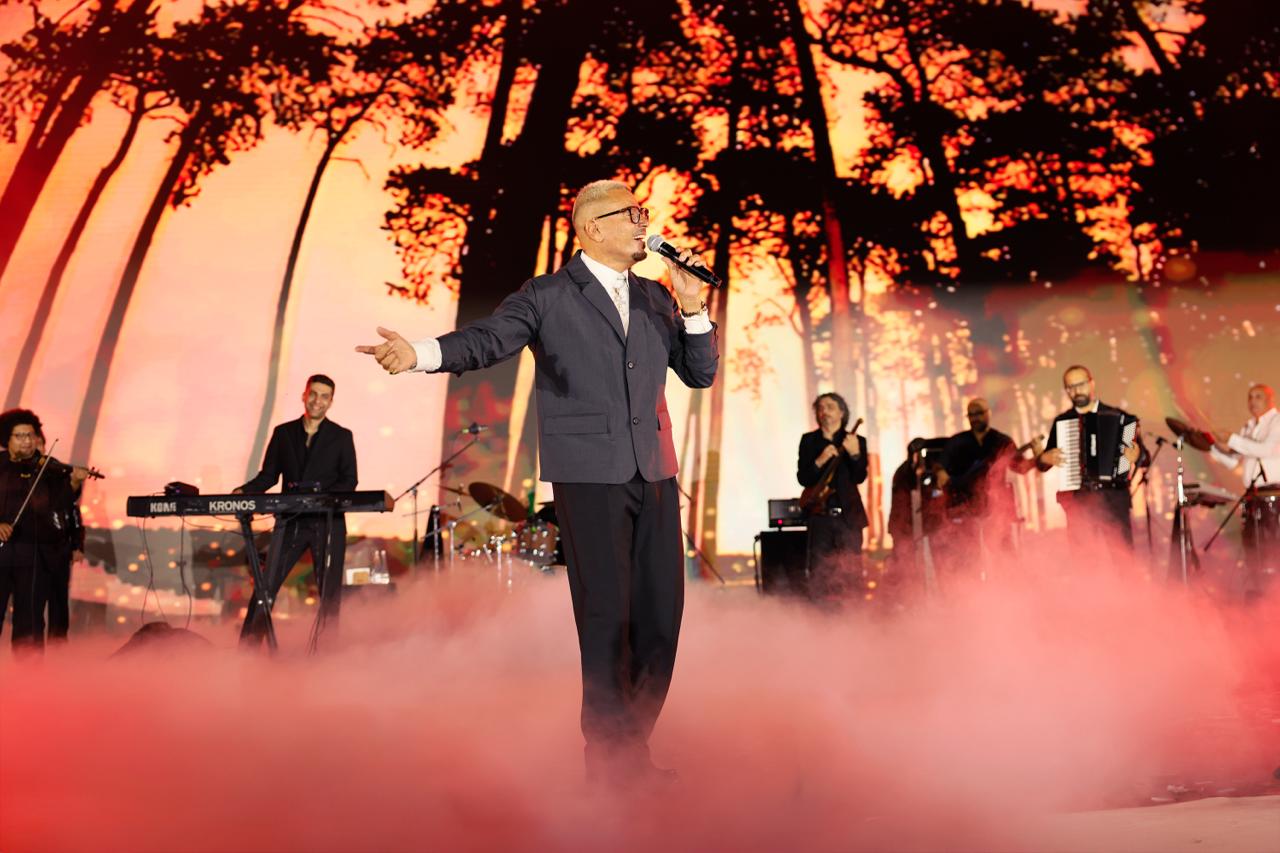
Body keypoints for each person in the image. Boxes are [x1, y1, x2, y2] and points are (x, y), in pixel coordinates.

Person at [357, 179, 718, 786]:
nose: (643, 222)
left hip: (656, 470)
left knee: (662, 618)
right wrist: (421, 353)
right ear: (592, 227)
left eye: (643, 212)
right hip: (589, 475)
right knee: (607, 619)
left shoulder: (658, 297)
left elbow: (700, 374)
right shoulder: (548, 295)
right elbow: (488, 340)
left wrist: (694, 307)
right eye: (631, 213)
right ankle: (611, 765)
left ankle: (628, 750)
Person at [236, 375, 357, 645]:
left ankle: (326, 652)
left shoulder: (342, 436)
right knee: (266, 585)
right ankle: (248, 650)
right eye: (313, 394)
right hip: (291, 521)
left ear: (331, 402)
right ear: (304, 395)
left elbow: (350, 481)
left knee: (329, 595)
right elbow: (268, 476)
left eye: (324, 396)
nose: (317, 401)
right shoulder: (283, 433)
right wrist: (243, 492)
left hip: (328, 523)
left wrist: (319, 497)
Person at [1037, 365, 1147, 551]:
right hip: (1078, 502)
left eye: (1080, 384)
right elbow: (1044, 464)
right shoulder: (1063, 422)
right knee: (1084, 560)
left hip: (1114, 498)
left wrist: (1137, 456)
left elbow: (1145, 458)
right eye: (1070, 387)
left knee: (1122, 558)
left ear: (1091, 383)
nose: (1076, 391)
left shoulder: (1121, 418)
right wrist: (1043, 459)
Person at [0, 409, 82, 652]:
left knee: (30, 620)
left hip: (33, 554)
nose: (27, 441)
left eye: (30, 435)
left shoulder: (48, 470)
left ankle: (29, 671)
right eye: (20, 436)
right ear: (6, 439)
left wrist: (74, 483)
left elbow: (60, 505)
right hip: (2, 553)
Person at [940, 398, 1040, 568]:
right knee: (967, 558)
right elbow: (940, 465)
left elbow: (1020, 467)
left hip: (996, 508)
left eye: (979, 413)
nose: (975, 418)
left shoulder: (1002, 442)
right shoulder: (957, 442)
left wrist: (1038, 458)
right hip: (964, 508)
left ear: (988, 413)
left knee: (1005, 556)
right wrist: (940, 473)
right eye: (971, 415)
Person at [1208, 383, 1280, 597]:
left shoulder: (1277, 422)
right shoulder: (1248, 427)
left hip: (1274, 496)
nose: (1252, 401)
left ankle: (1274, 596)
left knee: (1272, 547)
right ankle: (1259, 594)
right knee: (1253, 548)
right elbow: (1233, 461)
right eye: (1250, 397)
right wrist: (1209, 445)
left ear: (1270, 399)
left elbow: (1265, 450)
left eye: (1258, 397)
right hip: (1253, 496)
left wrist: (1231, 438)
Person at [796, 392, 868, 600]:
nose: (824, 411)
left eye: (830, 407)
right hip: (820, 517)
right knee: (820, 573)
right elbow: (803, 478)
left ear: (841, 412)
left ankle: (853, 614)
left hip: (849, 517)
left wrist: (855, 454)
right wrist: (820, 460)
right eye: (820, 408)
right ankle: (822, 617)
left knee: (851, 572)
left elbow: (859, 476)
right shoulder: (809, 441)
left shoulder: (856, 440)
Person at [35, 430, 86, 643]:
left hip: (58, 548)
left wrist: (77, 545)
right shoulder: (17, 474)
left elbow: (72, 511)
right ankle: (31, 650)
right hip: (33, 549)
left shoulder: (57, 473)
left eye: (38, 443)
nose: (34, 447)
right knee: (33, 605)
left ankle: (58, 648)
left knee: (58, 602)